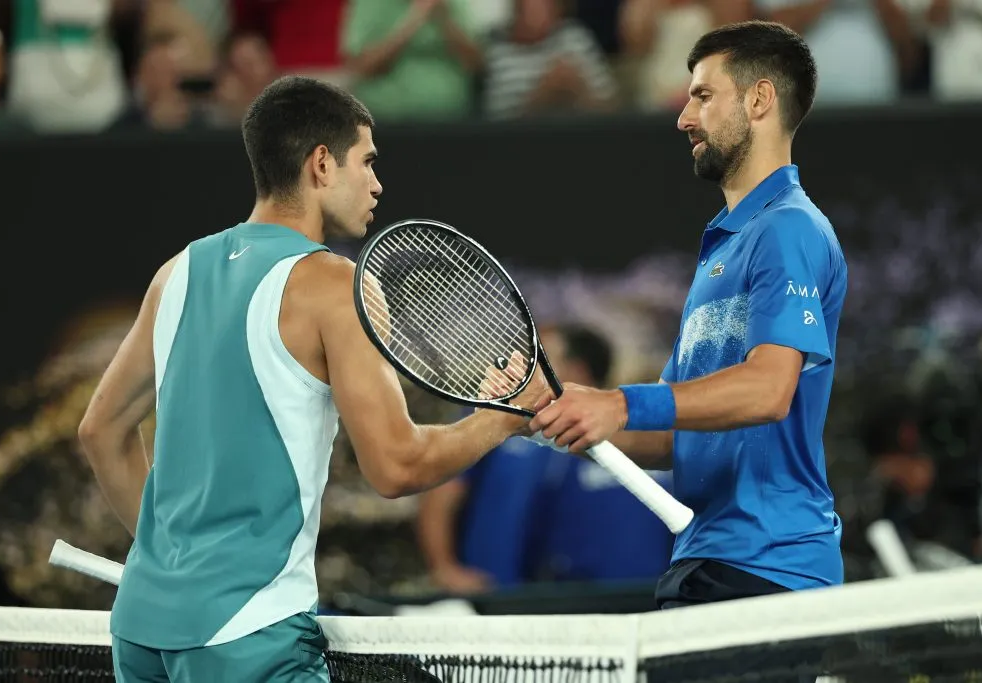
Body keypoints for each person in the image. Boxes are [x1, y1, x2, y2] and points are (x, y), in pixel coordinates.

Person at [77, 75, 546, 683]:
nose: (378, 183)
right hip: (248, 636)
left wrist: (177, 567)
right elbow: (397, 465)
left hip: (141, 627)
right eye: (367, 161)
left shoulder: (176, 272)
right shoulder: (338, 286)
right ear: (321, 164)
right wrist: (501, 419)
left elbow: (100, 432)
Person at [529, 20, 848, 614]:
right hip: (708, 564)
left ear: (759, 100)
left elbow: (769, 389)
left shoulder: (790, 229)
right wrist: (564, 413)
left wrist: (619, 402)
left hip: (770, 569)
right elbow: (670, 428)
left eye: (703, 95)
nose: (683, 117)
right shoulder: (725, 248)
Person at [417, 325, 671, 593]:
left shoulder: (622, 436)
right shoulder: (490, 416)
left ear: (578, 370)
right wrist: (444, 567)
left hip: (605, 597)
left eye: (539, 360)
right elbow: (441, 494)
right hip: (494, 594)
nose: (525, 368)